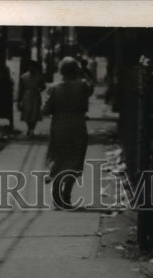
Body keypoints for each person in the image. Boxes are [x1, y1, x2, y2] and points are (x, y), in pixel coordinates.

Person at [42, 57, 93, 209]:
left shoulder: (54, 88)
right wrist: (84, 72)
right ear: (76, 70)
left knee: (60, 160)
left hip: (59, 126)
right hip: (78, 126)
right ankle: (67, 196)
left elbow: (45, 110)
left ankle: (57, 197)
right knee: (75, 160)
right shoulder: (83, 86)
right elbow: (91, 86)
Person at [16, 61, 46, 137]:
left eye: (33, 67)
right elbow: (21, 89)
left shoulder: (39, 77)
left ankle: (32, 128)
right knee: (27, 112)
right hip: (27, 96)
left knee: (35, 113)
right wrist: (19, 101)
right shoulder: (24, 77)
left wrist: (39, 90)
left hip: (35, 95)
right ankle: (29, 128)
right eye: (30, 66)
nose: (32, 68)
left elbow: (43, 86)